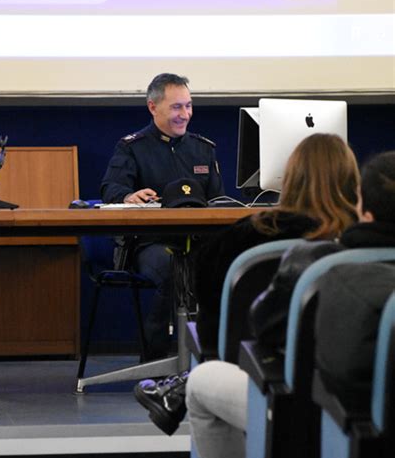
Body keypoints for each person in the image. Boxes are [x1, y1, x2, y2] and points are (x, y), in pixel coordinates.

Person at [187, 148, 395, 458]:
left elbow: (262, 333)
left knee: (201, 382)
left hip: (298, 411)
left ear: (365, 206)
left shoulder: (312, 264)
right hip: (372, 422)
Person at [135, 133, 359, 435]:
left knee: (204, 377)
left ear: (290, 178)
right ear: (352, 183)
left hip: (259, 383)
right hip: (349, 393)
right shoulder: (359, 244)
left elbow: (212, 334)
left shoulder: (235, 242)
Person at [100, 73, 225, 360]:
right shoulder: (132, 147)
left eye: (189, 106)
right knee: (175, 270)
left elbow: (219, 201)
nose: (185, 115)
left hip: (199, 243)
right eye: (177, 107)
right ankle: (156, 359)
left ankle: (214, 357)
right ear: (153, 107)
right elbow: (111, 189)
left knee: (225, 266)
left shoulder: (203, 149)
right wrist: (128, 197)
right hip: (150, 244)